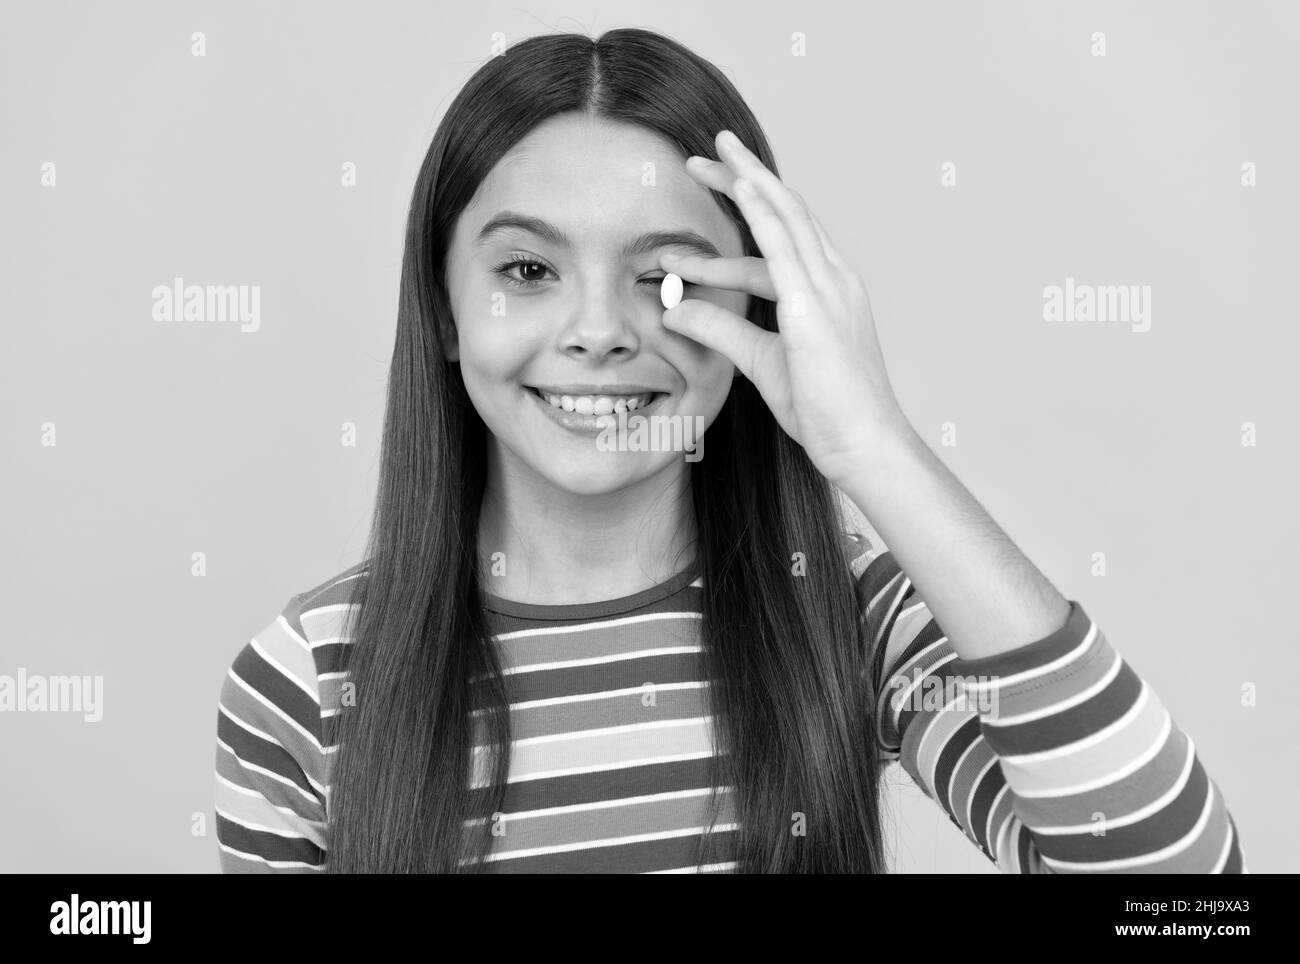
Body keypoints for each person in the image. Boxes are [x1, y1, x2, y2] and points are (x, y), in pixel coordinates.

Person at [213, 28, 1244, 873]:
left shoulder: (844, 614)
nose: (599, 330)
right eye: (527, 268)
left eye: (666, 278)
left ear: (757, 306)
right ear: (442, 311)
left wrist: (871, 445)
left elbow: (1176, 889)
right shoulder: (307, 675)